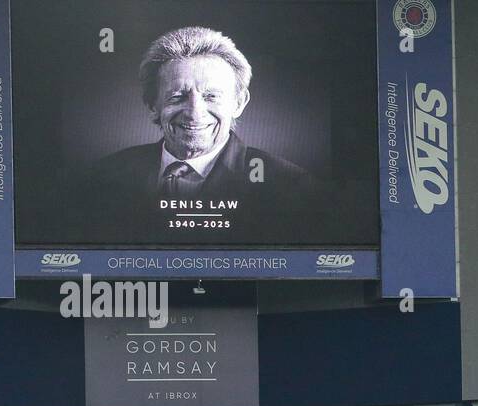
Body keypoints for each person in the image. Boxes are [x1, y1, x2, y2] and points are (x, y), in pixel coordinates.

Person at [83, 26, 332, 244]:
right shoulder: (101, 178)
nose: (194, 113)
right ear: (152, 105)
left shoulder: (294, 189)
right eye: (177, 96)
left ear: (239, 102)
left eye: (211, 96)